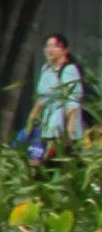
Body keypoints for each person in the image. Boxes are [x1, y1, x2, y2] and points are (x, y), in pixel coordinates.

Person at [30, 33, 86, 164]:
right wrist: (32, 118)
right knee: (44, 164)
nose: (50, 49)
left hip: (63, 128)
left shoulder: (69, 69)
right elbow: (42, 97)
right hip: (47, 127)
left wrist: (70, 129)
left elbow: (73, 100)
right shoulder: (46, 69)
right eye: (47, 46)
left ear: (65, 50)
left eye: (55, 46)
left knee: (63, 164)